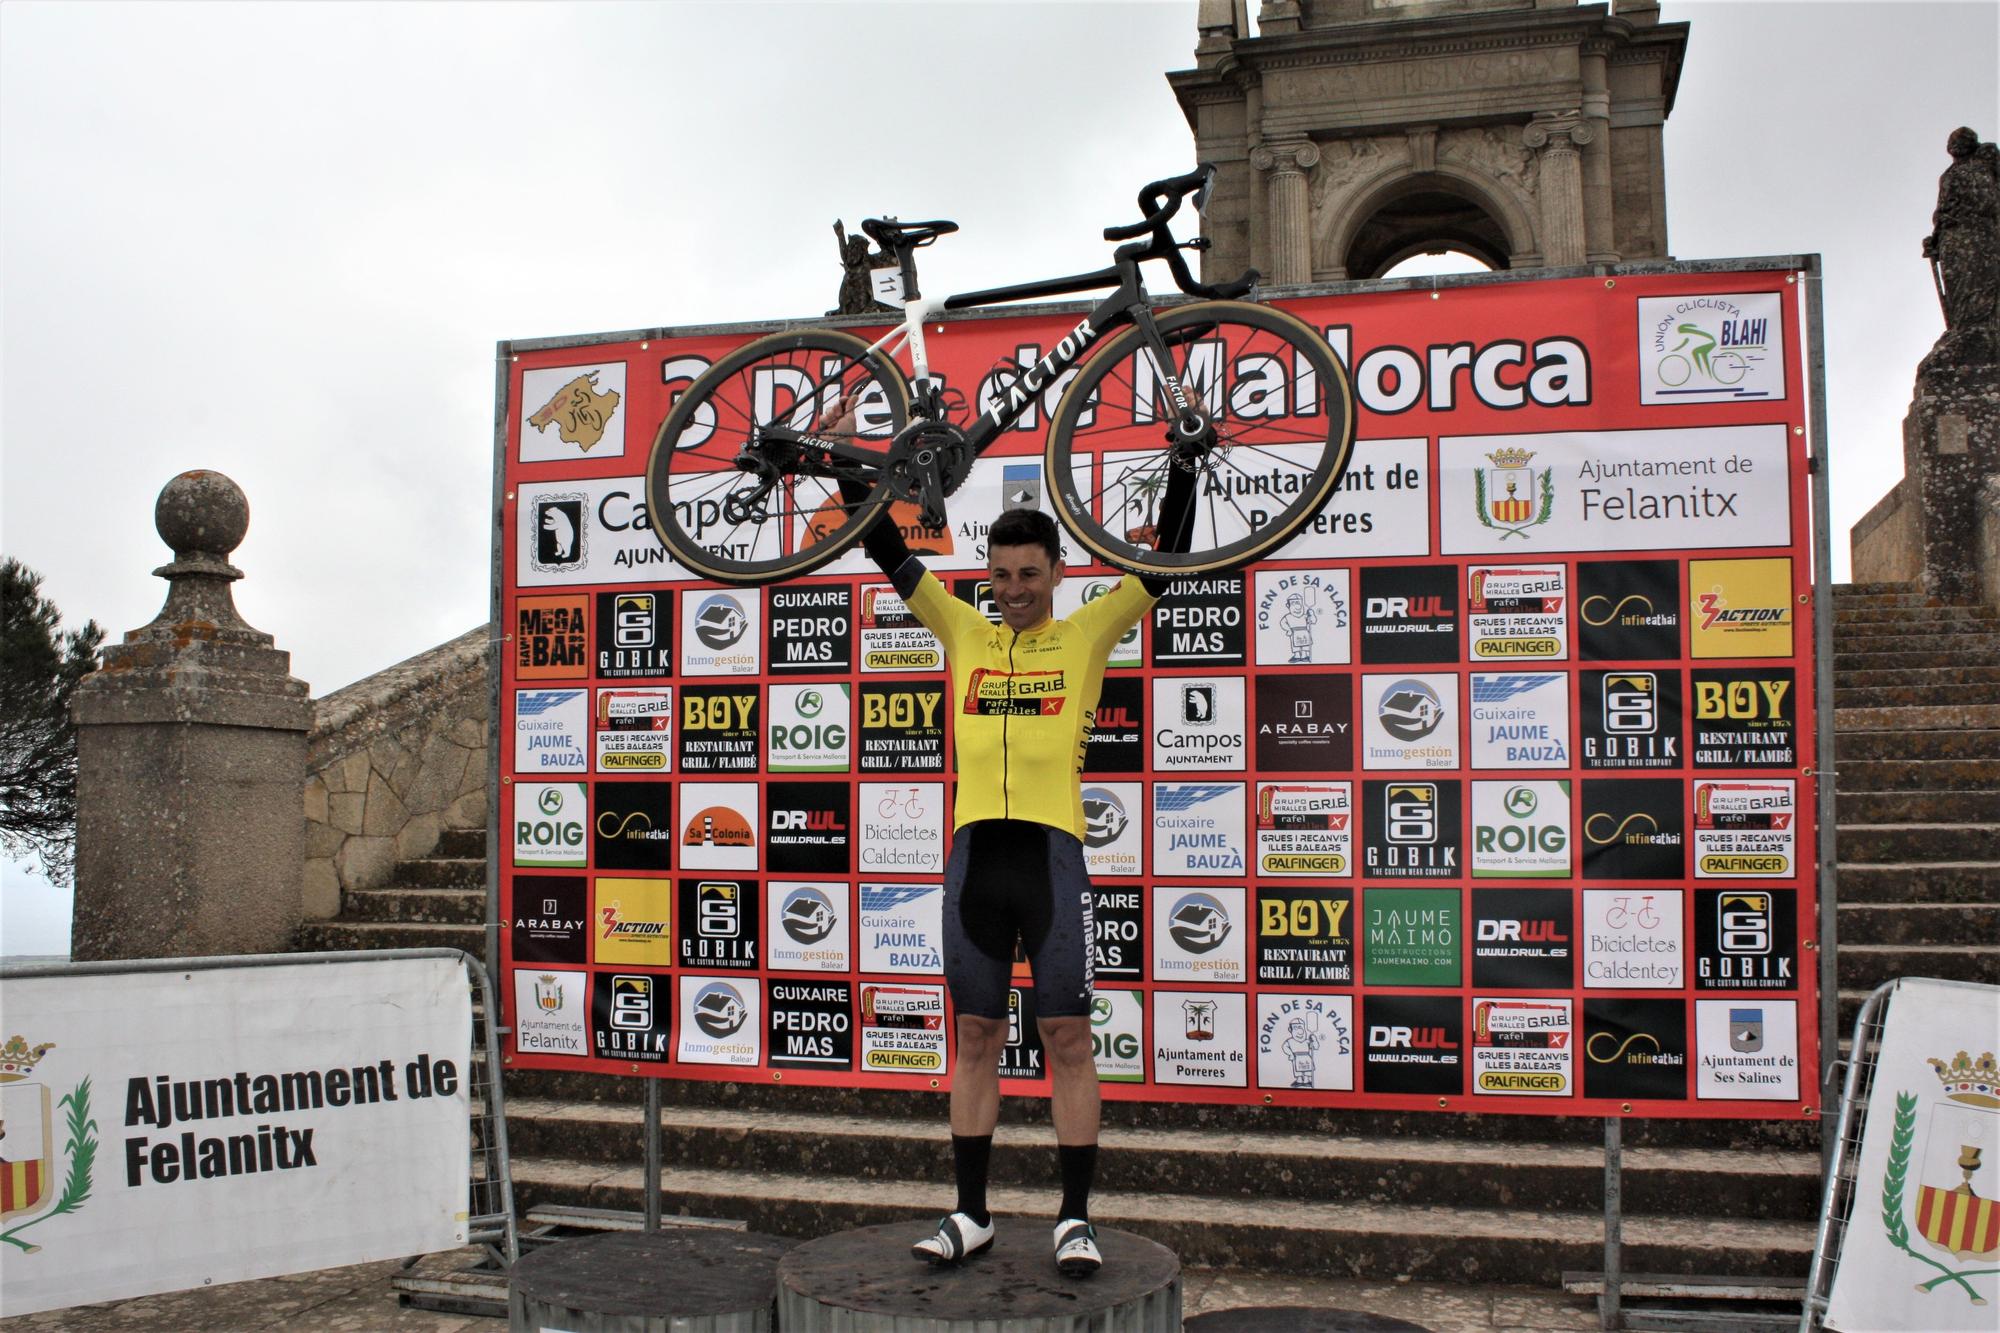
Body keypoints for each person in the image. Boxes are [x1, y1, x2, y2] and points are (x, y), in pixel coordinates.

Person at [824, 398, 1197, 1278]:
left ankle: (1074, 1217)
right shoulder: (962, 627)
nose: (1013, 587)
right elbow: (882, 542)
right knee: (977, 1037)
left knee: (1068, 1037)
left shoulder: (1086, 632)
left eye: (1029, 573)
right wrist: (843, 458)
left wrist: (1183, 462)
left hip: (1050, 856)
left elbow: (1166, 562)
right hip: (972, 862)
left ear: (1058, 573)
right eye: (1000, 573)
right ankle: (970, 1212)